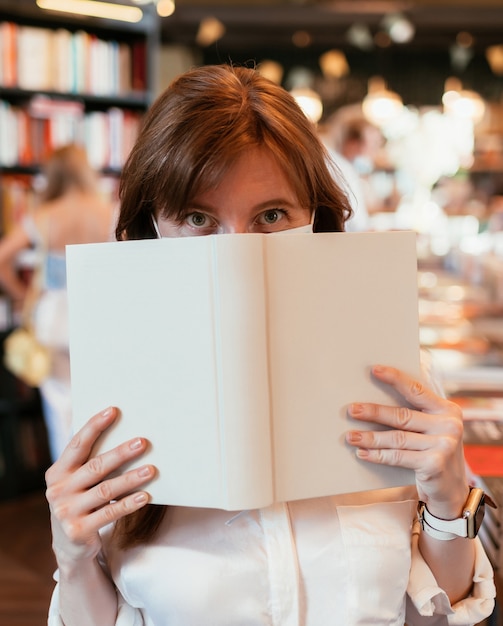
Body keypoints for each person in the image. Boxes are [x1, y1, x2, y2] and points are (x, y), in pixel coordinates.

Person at [45, 65, 495, 625]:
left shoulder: (398, 374)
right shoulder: (120, 396)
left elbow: (435, 617)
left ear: (316, 220)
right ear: (151, 229)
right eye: (197, 217)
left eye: (272, 215)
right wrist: (74, 554)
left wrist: (449, 504)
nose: (239, 252)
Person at [0, 144, 114, 461]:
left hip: (53, 316)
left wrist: (22, 297)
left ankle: (66, 482)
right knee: (99, 401)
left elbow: (1, 260)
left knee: (60, 402)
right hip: (96, 312)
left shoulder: (44, 215)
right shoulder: (109, 211)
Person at [319, 110, 386, 232]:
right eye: (373, 144)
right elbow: (356, 225)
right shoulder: (341, 169)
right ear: (352, 143)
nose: (375, 152)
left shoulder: (339, 165)